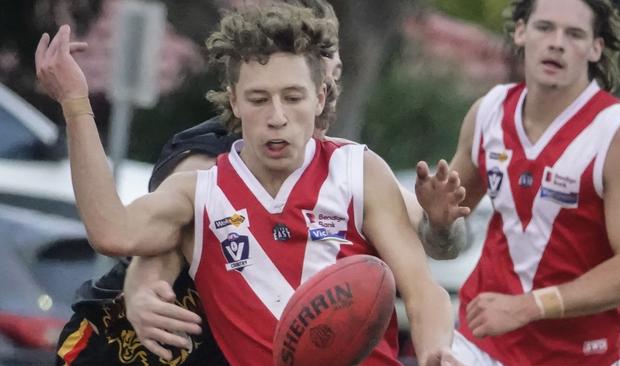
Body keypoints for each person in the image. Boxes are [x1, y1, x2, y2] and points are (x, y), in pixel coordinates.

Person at [38, 2, 465, 365]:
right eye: (259, 99)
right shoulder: (200, 189)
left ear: (320, 97)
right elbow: (111, 231)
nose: (277, 115)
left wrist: (435, 353)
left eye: (293, 97)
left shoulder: (358, 171)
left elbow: (424, 290)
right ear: (235, 100)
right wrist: (75, 103)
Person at [414, 0, 620, 364]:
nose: (556, 42)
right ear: (522, 32)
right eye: (545, 28)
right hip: (479, 347)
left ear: (595, 48)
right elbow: (444, 247)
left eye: (574, 34)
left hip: (579, 356)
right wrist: (440, 225)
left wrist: (532, 306)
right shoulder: (488, 112)